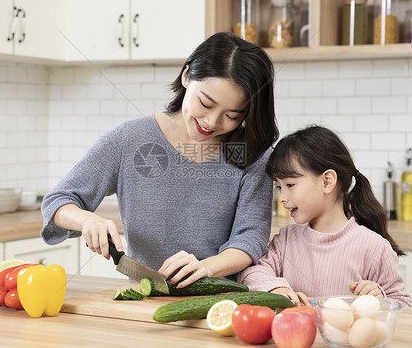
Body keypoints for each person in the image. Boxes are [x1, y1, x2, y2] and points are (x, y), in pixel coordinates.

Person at [41, 32, 279, 288]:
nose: (212, 122)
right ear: (186, 75)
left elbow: (251, 237)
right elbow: (58, 201)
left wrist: (207, 266)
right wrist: (87, 220)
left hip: (219, 301)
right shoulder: (130, 139)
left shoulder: (251, 152)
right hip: (143, 296)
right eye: (206, 103)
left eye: (232, 115)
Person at [239, 125, 412, 307]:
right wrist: (276, 289)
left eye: (290, 185)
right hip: (296, 336)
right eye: (278, 187)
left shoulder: (375, 248)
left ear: (327, 181)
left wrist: (379, 298)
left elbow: (402, 305)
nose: (282, 198)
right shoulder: (286, 240)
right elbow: (252, 273)